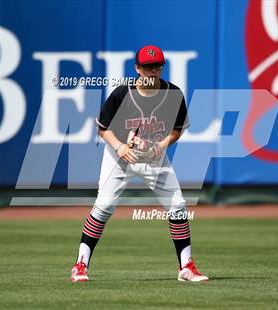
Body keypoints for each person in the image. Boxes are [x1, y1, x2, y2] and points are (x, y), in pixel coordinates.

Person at [70, 45, 208, 282]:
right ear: (137, 69)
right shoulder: (122, 94)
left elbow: (177, 129)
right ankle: (80, 265)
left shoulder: (173, 94)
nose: (153, 71)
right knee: (103, 208)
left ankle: (186, 267)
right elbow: (103, 129)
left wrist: (162, 146)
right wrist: (120, 147)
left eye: (157, 66)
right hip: (120, 157)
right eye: (147, 66)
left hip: (154, 156)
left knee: (177, 205)